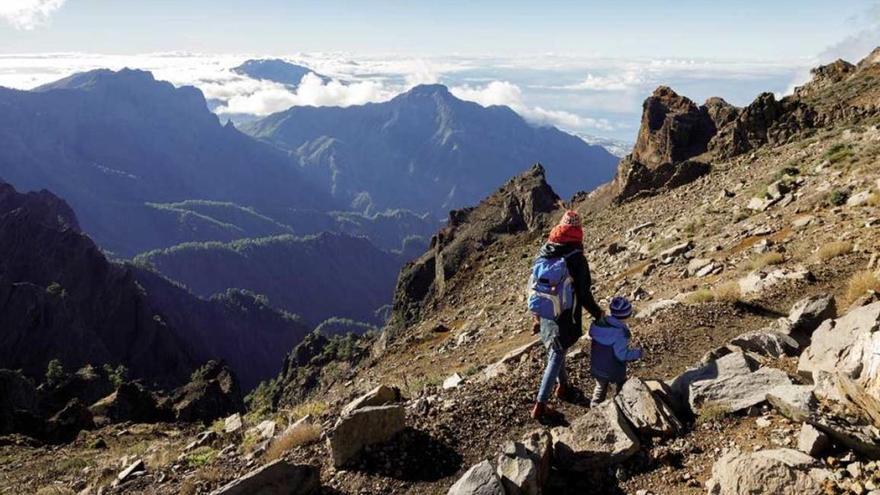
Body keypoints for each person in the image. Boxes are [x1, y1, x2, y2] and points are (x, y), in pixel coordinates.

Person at [528, 209, 604, 421]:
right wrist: (598, 314)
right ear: (578, 231)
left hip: (545, 312)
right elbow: (584, 293)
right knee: (557, 353)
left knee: (555, 348)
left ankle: (563, 386)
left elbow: (534, 285)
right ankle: (540, 405)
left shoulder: (546, 249)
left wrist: (535, 316)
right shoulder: (576, 258)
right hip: (565, 316)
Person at [588, 296, 643, 406]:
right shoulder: (620, 333)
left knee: (599, 388)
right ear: (627, 315)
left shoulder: (599, 325)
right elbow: (621, 355)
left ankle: (595, 407)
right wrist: (638, 353)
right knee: (621, 386)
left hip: (596, 365)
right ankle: (622, 405)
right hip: (613, 369)